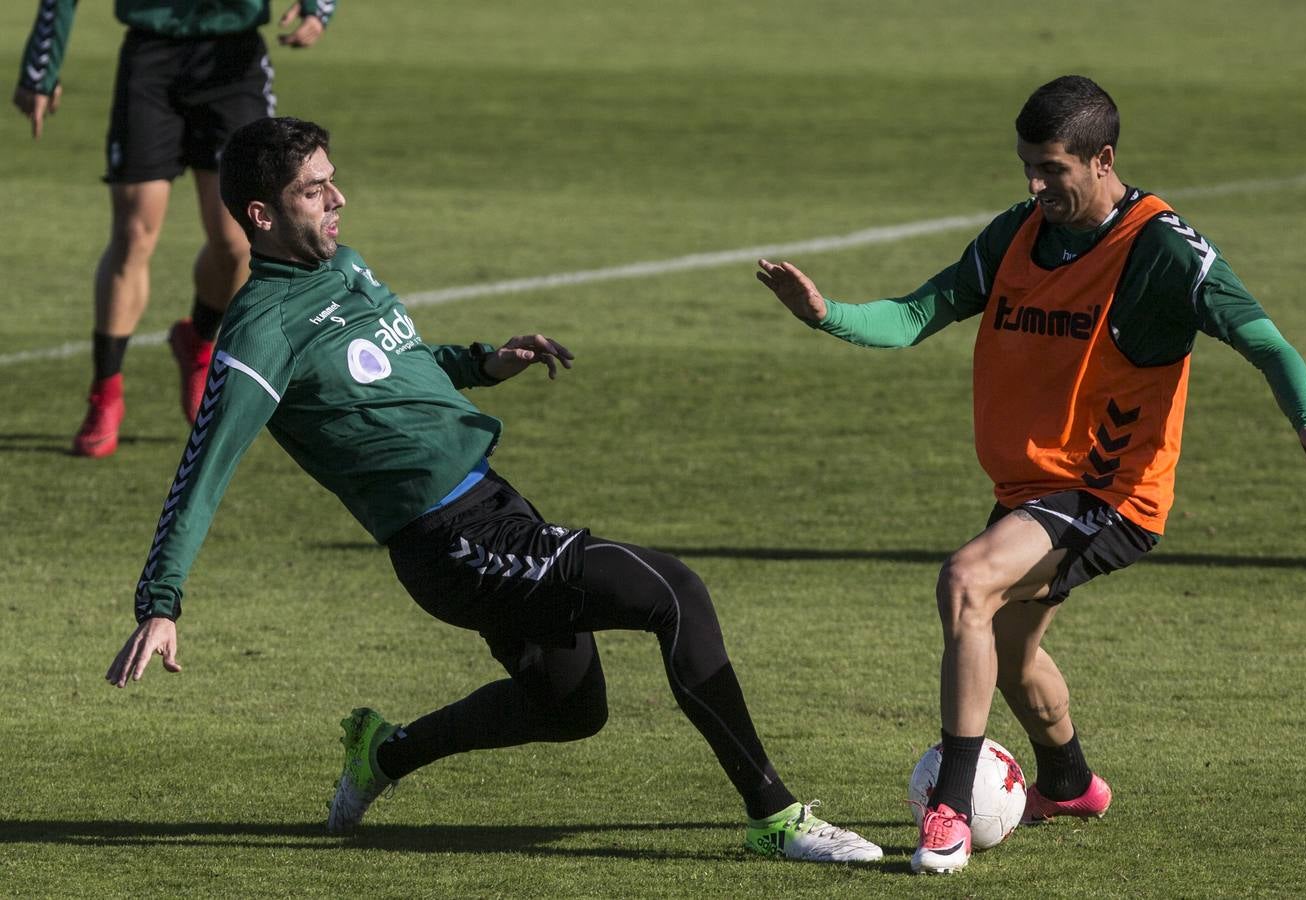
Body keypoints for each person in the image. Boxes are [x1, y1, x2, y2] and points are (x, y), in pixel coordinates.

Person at [103, 115, 883, 864]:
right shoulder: (260, 332)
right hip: (452, 545)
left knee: (570, 707)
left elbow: (398, 360)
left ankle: (384, 752)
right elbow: (203, 467)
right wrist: (161, 603)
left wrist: (484, 362)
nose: (338, 200)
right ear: (261, 215)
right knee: (673, 591)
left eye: (334, 182)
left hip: (495, 505)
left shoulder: (343, 266)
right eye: (315, 190)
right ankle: (775, 817)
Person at [757, 75, 1306, 875]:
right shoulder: (1017, 235)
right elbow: (918, 313)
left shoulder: (1163, 250)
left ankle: (950, 814)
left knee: (966, 582)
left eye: (1052, 170)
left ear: (1104, 160)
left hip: (1110, 495)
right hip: (1030, 492)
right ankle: (1068, 783)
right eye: (1027, 166)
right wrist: (829, 315)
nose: (1035, 185)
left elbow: (1266, 342)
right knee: (1008, 647)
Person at [12, 0, 337, 458]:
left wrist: (318, 7)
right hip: (151, 59)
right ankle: (105, 392)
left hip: (233, 62)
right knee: (134, 233)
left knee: (236, 244)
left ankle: (198, 339)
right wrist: (39, 70)